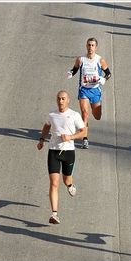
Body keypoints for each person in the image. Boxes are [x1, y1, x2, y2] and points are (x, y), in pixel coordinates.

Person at [37, 90, 87, 224]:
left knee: (66, 180)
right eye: (58, 99)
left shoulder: (74, 115)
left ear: (68, 100)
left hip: (68, 152)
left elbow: (84, 132)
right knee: (54, 183)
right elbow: (47, 126)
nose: (61, 101)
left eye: (63, 99)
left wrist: (70, 137)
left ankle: (70, 185)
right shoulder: (52, 114)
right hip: (53, 151)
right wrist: (42, 139)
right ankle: (54, 214)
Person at [67, 37, 112, 149]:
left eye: (92, 45)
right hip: (84, 90)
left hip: (95, 91)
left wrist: (104, 79)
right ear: (86, 46)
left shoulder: (100, 60)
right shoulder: (80, 59)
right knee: (84, 113)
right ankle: (85, 139)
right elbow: (75, 69)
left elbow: (108, 73)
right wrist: (71, 73)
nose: (90, 47)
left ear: (96, 47)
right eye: (88, 45)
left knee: (97, 116)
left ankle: (87, 122)